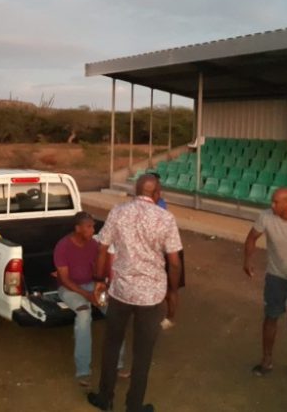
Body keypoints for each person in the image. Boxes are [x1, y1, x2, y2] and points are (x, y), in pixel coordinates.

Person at [87, 174, 183, 412]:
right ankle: (134, 405)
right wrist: (172, 291)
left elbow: (102, 249)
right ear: (157, 193)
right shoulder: (166, 218)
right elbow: (174, 262)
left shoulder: (118, 212)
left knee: (111, 345)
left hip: (121, 291)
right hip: (151, 296)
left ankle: (105, 398)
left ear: (135, 191)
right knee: (143, 353)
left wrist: (99, 280)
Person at [54, 211, 126, 387]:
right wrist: (88, 296)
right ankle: (83, 371)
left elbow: (98, 270)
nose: (93, 230)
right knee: (84, 314)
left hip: (91, 285)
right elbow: (64, 279)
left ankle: (118, 364)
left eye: (93, 226)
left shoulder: (93, 244)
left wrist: (100, 288)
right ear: (78, 228)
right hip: (69, 289)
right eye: (89, 227)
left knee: (116, 314)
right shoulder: (63, 246)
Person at [243, 187, 287, 376]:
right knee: (271, 317)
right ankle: (266, 359)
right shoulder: (265, 217)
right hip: (276, 277)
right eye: (272, 201)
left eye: (276, 202)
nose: (272, 205)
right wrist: (247, 260)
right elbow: (251, 238)